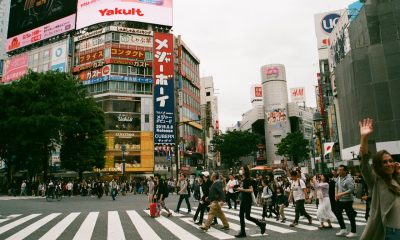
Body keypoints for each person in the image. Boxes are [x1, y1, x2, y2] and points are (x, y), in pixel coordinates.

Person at [358, 118, 400, 240]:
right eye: (384, 162)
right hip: (391, 232)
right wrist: (364, 138)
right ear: (379, 166)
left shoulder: (396, 180)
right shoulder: (376, 181)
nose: (389, 164)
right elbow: (364, 163)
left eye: (390, 161)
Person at [235, 166, 266, 238]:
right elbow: (244, 188)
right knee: (241, 215)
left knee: (247, 216)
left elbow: (251, 190)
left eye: (242, 169)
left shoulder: (248, 180)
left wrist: (242, 190)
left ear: (245, 171)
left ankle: (261, 224)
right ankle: (243, 232)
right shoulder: (243, 180)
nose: (240, 170)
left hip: (247, 200)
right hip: (243, 199)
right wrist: (239, 189)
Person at [334, 164, 357, 237]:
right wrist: (336, 194)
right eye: (339, 170)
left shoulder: (348, 179)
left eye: (341, 170)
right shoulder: (338, 177)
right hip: (340, 199)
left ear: (345, 171)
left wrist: (340, 194)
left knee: (350, 215)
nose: (339, 171)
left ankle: (354, 232)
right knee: (337, 212)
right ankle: (343, 229)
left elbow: (351, 189)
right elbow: (336, 186)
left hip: (348, 200)